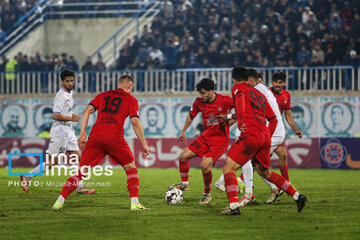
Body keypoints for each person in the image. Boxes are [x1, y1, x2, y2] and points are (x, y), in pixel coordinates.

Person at [52, 74, 151, 211]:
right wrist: (144, 144)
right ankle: (134, 202)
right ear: (130, 86)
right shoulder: (131, 99)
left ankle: (59, 201)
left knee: (81, 171)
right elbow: (135, 122)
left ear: (118, 85)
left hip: (96, 136)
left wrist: (82, 134)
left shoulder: (103, 95)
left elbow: (86, 111)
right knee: (131, 168)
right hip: (114, 138)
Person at [218, 67, 306, 215]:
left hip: (250, 135)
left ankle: (234, 206)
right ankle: (297, 196)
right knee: (265, 172)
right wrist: (266, 137)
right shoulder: (260, 94)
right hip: (264, 136)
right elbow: (272, 119)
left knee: (228, 168)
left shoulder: (238, 88)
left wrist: (240, 123)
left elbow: (239, 100)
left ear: (234, 79)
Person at [215, 69, 286, 205]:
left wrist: (236, 120)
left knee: (248, 159)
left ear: (251, 80)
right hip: (268, 130)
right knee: (258, 165)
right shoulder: (261, 90)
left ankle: (247, 192)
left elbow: (249, 111)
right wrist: (230, 117)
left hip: (266, 131)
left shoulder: (253, 90)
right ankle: (277, 189)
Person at [19, 70, 94, 194]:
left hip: (68, 131)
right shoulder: (62, 95)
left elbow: (63, 112)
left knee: (77, 158)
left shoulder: (69, 94)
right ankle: (26, 176)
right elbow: (55, 115)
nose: (70, 83)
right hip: (60, 132)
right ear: (62, 82)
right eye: (67, 81)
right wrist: (71, 118)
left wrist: (70, 114)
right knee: (54, 162)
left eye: (72, 80)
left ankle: (80, 187)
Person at [168, 78, 233, 204]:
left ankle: (206, 194)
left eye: (203, 93)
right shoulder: (199, 102)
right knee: (183, 157)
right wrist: (183, 131)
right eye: (200, 93)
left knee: (204, 166)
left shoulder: (225, 100)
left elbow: (243, 110)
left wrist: (230, 118)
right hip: (206, 136)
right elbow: (191, 115)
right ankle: (185, 184)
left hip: (220, 141)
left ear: (211, 91)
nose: (200, 96)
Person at [269, 72, 303, 189]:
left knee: (282, 155)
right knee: (261, 160)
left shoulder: (286, 95)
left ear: (285, 83)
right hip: (266, 130)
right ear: (272, 82)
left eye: (280, 82)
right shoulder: (266, 93)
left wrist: (295, 130)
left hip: (276, 131)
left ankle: (286, 184)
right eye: (275, 82)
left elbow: (288, 115)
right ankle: (243, 180)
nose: (277, 85)